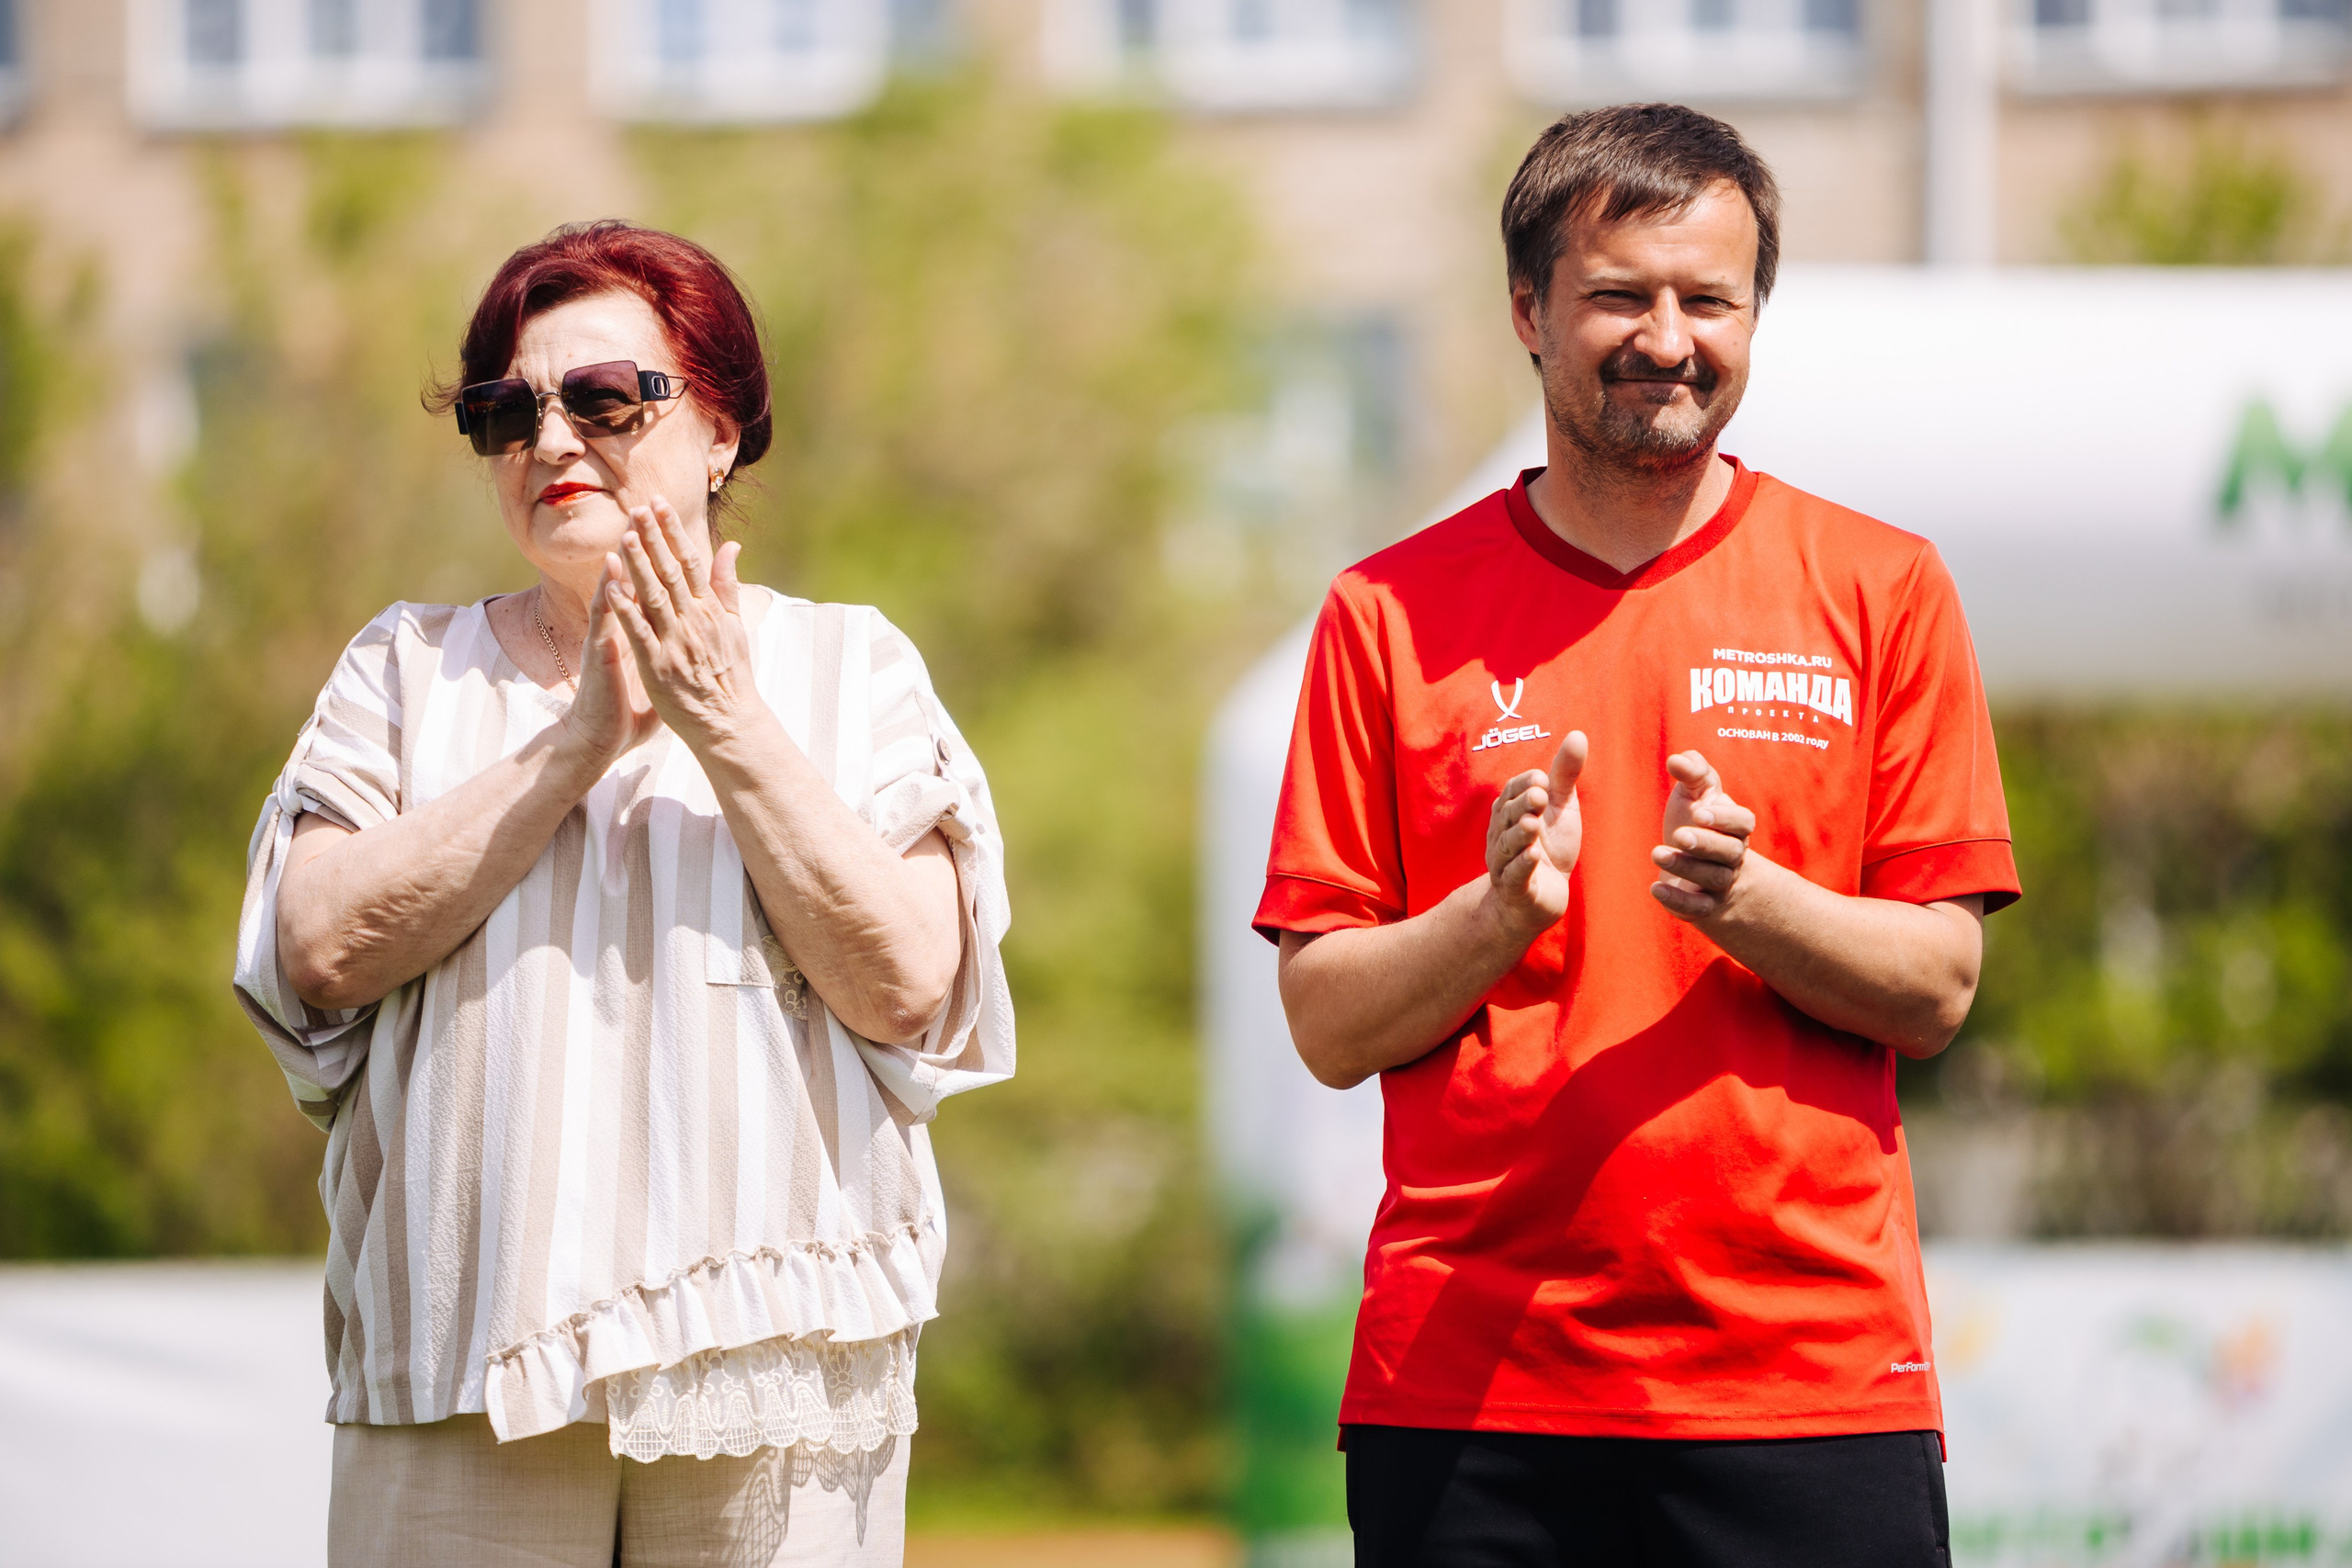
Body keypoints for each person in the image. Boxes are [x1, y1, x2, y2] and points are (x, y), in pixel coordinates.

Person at [1257, 104, 2018, 1566]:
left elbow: (1938, 988)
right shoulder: (1384, 612)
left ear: (1752, 319)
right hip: (1473, 1399)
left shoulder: (1882, 586)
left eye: (1708, 300)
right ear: (1531, 311)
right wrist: (1492, 921)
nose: (1666, 336)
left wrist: (1750, 902)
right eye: (1620, 294)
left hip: (1808, 1391)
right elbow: (1324, 1023)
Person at [232, 220, 1013, 1567]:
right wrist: (574, 742)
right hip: (463, 1384)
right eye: (507, 410)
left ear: (720, 432)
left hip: (771, 1390)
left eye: (604, 399)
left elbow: (908, 980)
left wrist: (719, 716)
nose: (551, 441)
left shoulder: (855, 670)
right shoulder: (403, 672)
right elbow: (315, 944)